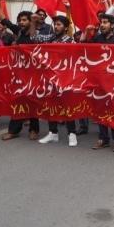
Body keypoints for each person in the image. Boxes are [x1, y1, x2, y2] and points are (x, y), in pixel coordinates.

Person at [0, 0, 41, 141]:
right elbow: (4, 20)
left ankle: (34, 130)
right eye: (20, 20)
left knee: (32, 102)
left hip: (33, 74)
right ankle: (14, 130)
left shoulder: (36, 34)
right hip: (19, 73)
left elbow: (33, 39)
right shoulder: (19, 32)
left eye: (24, 20)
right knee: (17, 101)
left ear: (30, 21)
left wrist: (34, 21)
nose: (21, 22)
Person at [85, 14, 114, 153]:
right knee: (100, 109)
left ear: (112, 25)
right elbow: (84, 49)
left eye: (105, 22)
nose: (102, 25)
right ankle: (103, 138)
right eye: (101, 22)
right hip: (99, 81)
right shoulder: (97, 39)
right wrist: (87, 33)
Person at [36, 14, 79, 147]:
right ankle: (52, 133)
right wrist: (33, 21)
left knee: (67, 106)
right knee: (50, 105)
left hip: (66, 79)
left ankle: (72, 134)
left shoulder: (71, 42)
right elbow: (34, 38)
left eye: (59, 24)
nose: (56, 27)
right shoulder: (51, 39)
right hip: (51, 78)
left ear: (66, 28)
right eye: (55, 24)